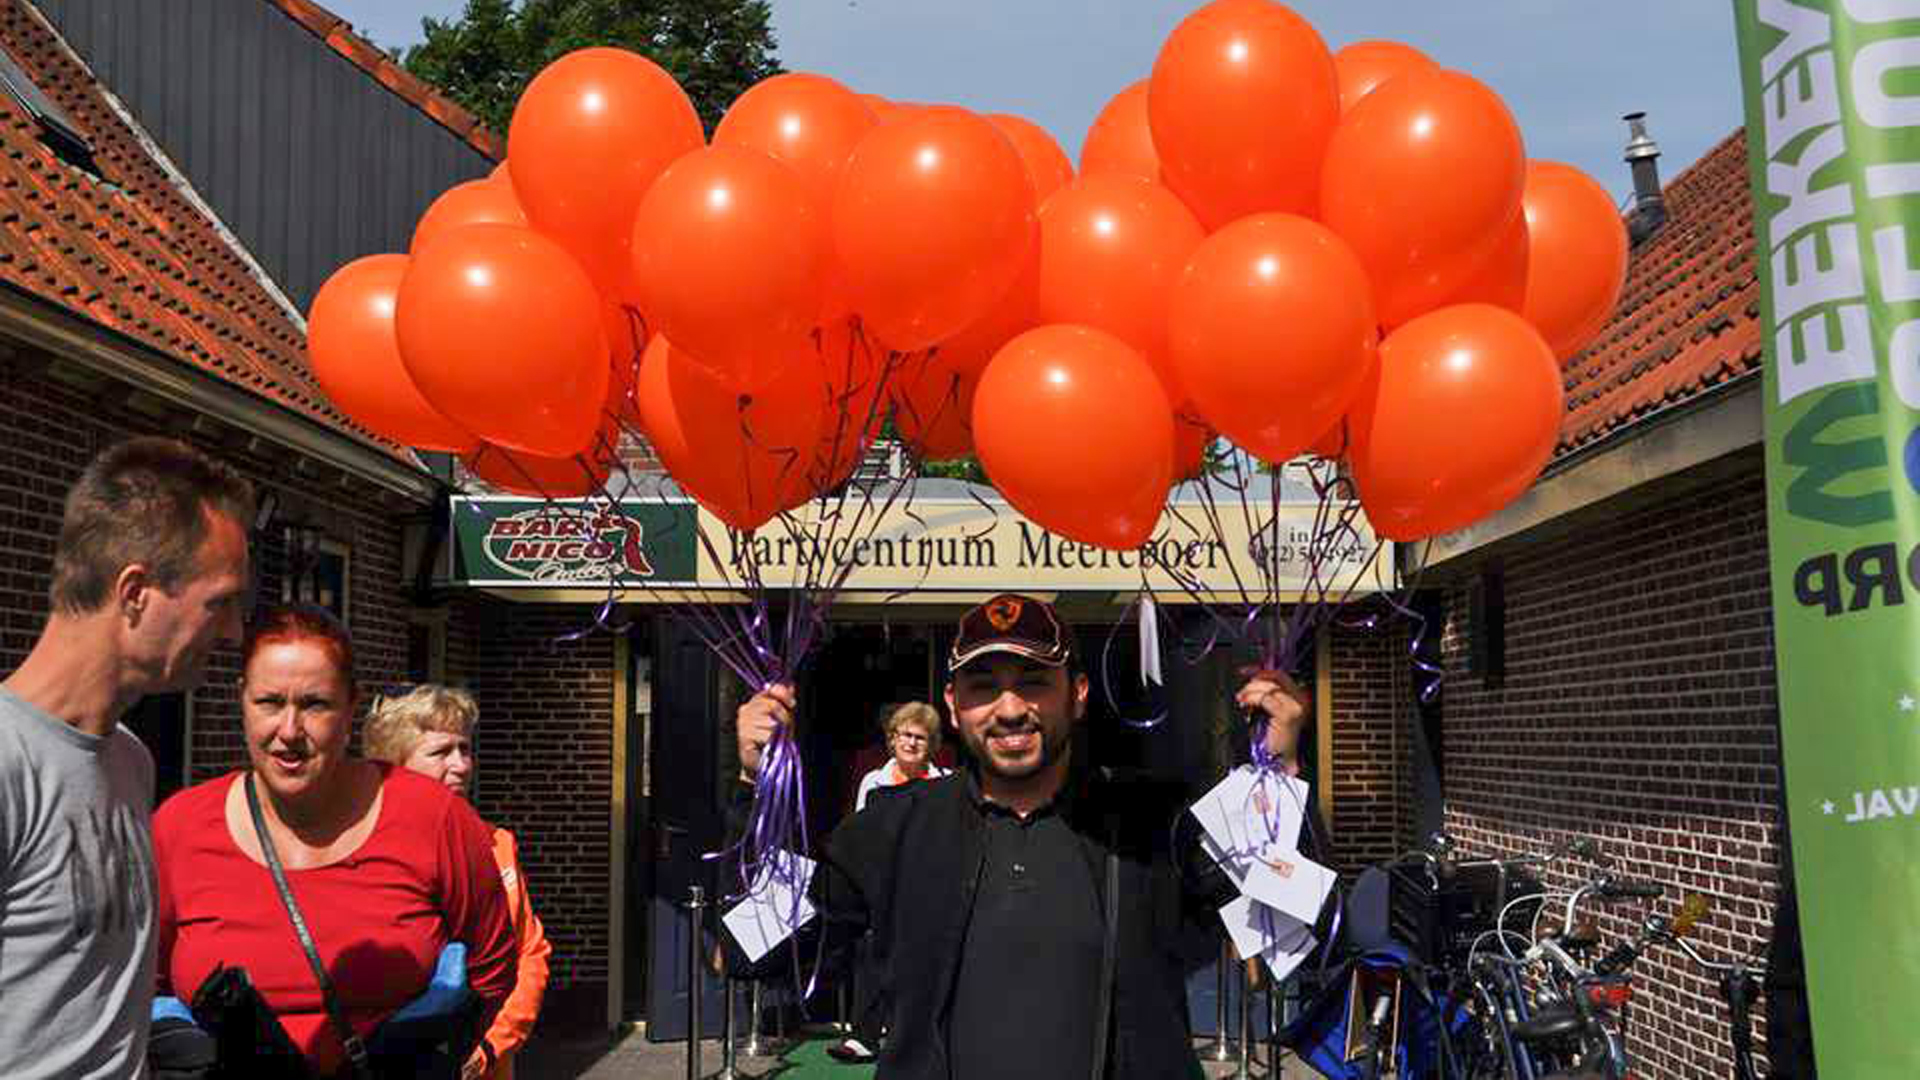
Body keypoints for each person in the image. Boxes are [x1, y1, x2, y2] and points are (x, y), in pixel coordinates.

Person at [734, 593, 1307, 1080]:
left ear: (1077, 693)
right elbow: (754, 953)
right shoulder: (893, 825)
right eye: (983, 686)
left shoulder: (1157, 821)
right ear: (954, 708)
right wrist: (760, 792)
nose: (1009, 709)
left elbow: (1296, 931)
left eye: (1033, 681)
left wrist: (1280, 778)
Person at [152, 605, 518, 1077]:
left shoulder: (433, 817)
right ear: (241, 700)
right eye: (269, 702)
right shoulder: (179, 827)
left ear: (351, 707)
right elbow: (146, 984)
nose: (289, 731)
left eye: (314, 704)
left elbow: (492, 966)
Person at [0, 436, 253, 1079]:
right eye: (220, 602)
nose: (233, 633)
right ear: (135, 592)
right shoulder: (8, 765)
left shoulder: (130, 761)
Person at [365, 683, 553, 1080]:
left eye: (465, 748)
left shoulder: (497, 844)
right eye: (440, 752)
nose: (462, 764)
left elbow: (530, 954)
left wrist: (494, 1043)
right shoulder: (356, 848)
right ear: (393, 763)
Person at [854, 701, 951, 812]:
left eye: (920, 738)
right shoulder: (872, 782)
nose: (912, 743)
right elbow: (863, 827)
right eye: (907, 735)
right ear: (893, 738)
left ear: (931, 744)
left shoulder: (947, 781)